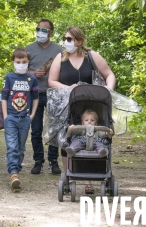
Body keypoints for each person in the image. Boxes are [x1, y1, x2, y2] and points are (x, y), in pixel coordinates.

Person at [47, 26, 116, 193]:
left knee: (92, 138)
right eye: (65, 39)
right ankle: (67, 175)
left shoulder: (92, 56)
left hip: (92, 105)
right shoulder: (60, 58)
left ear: (79, 41)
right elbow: (51, 81)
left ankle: (89, 181)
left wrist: (108, 89)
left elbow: (109, 75)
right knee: (68, 138)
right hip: (67, 105)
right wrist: (66, 87)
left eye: (69, 39)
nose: (66, 42)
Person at [25, 18, 63, 175]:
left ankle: (53, 161)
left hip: (54, 94)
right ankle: (38, 161)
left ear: (51, 32)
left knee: (55, 129)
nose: (40, 33)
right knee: (36, 130)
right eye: (38, 29)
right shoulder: (28, 49)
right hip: (34, 94)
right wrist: (34, 73)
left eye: (44, 30)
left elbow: (65, 70)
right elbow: (20, 71)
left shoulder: (59, 50)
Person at [1, 48, 39, 190]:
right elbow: (4, 98)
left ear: (28, 62)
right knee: (12, 147)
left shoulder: (32, 79)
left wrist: (32, 114)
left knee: (21, 147)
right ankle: (14, 173)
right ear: (13, 62)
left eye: (24, 62)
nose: (21, 64)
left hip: (25, 118)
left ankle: (16, 169)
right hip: (11, 117)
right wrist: (5, 116)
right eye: (18, 62)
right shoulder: (9, 78)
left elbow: (36, 98)